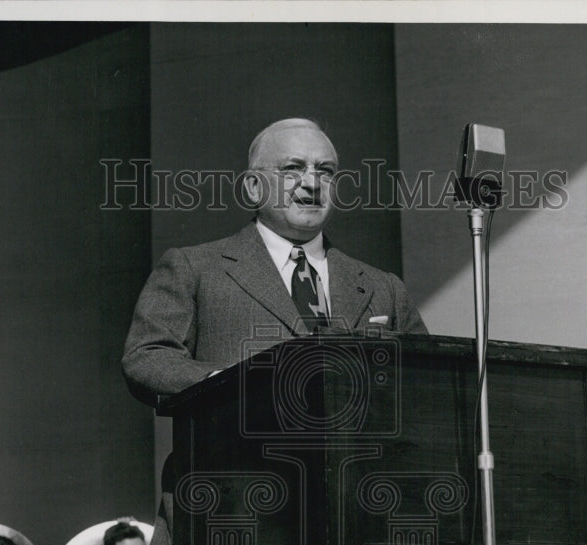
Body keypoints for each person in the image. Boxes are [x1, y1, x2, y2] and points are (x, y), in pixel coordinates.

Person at [122, 116, 428, 402]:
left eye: (326, 171)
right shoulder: (194, 269)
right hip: (236, 453)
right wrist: (225, 385)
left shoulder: (384, 287)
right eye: (293, 168)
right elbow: (148, 355)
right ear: (254, 187)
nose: (312, 183)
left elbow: (428, 380)